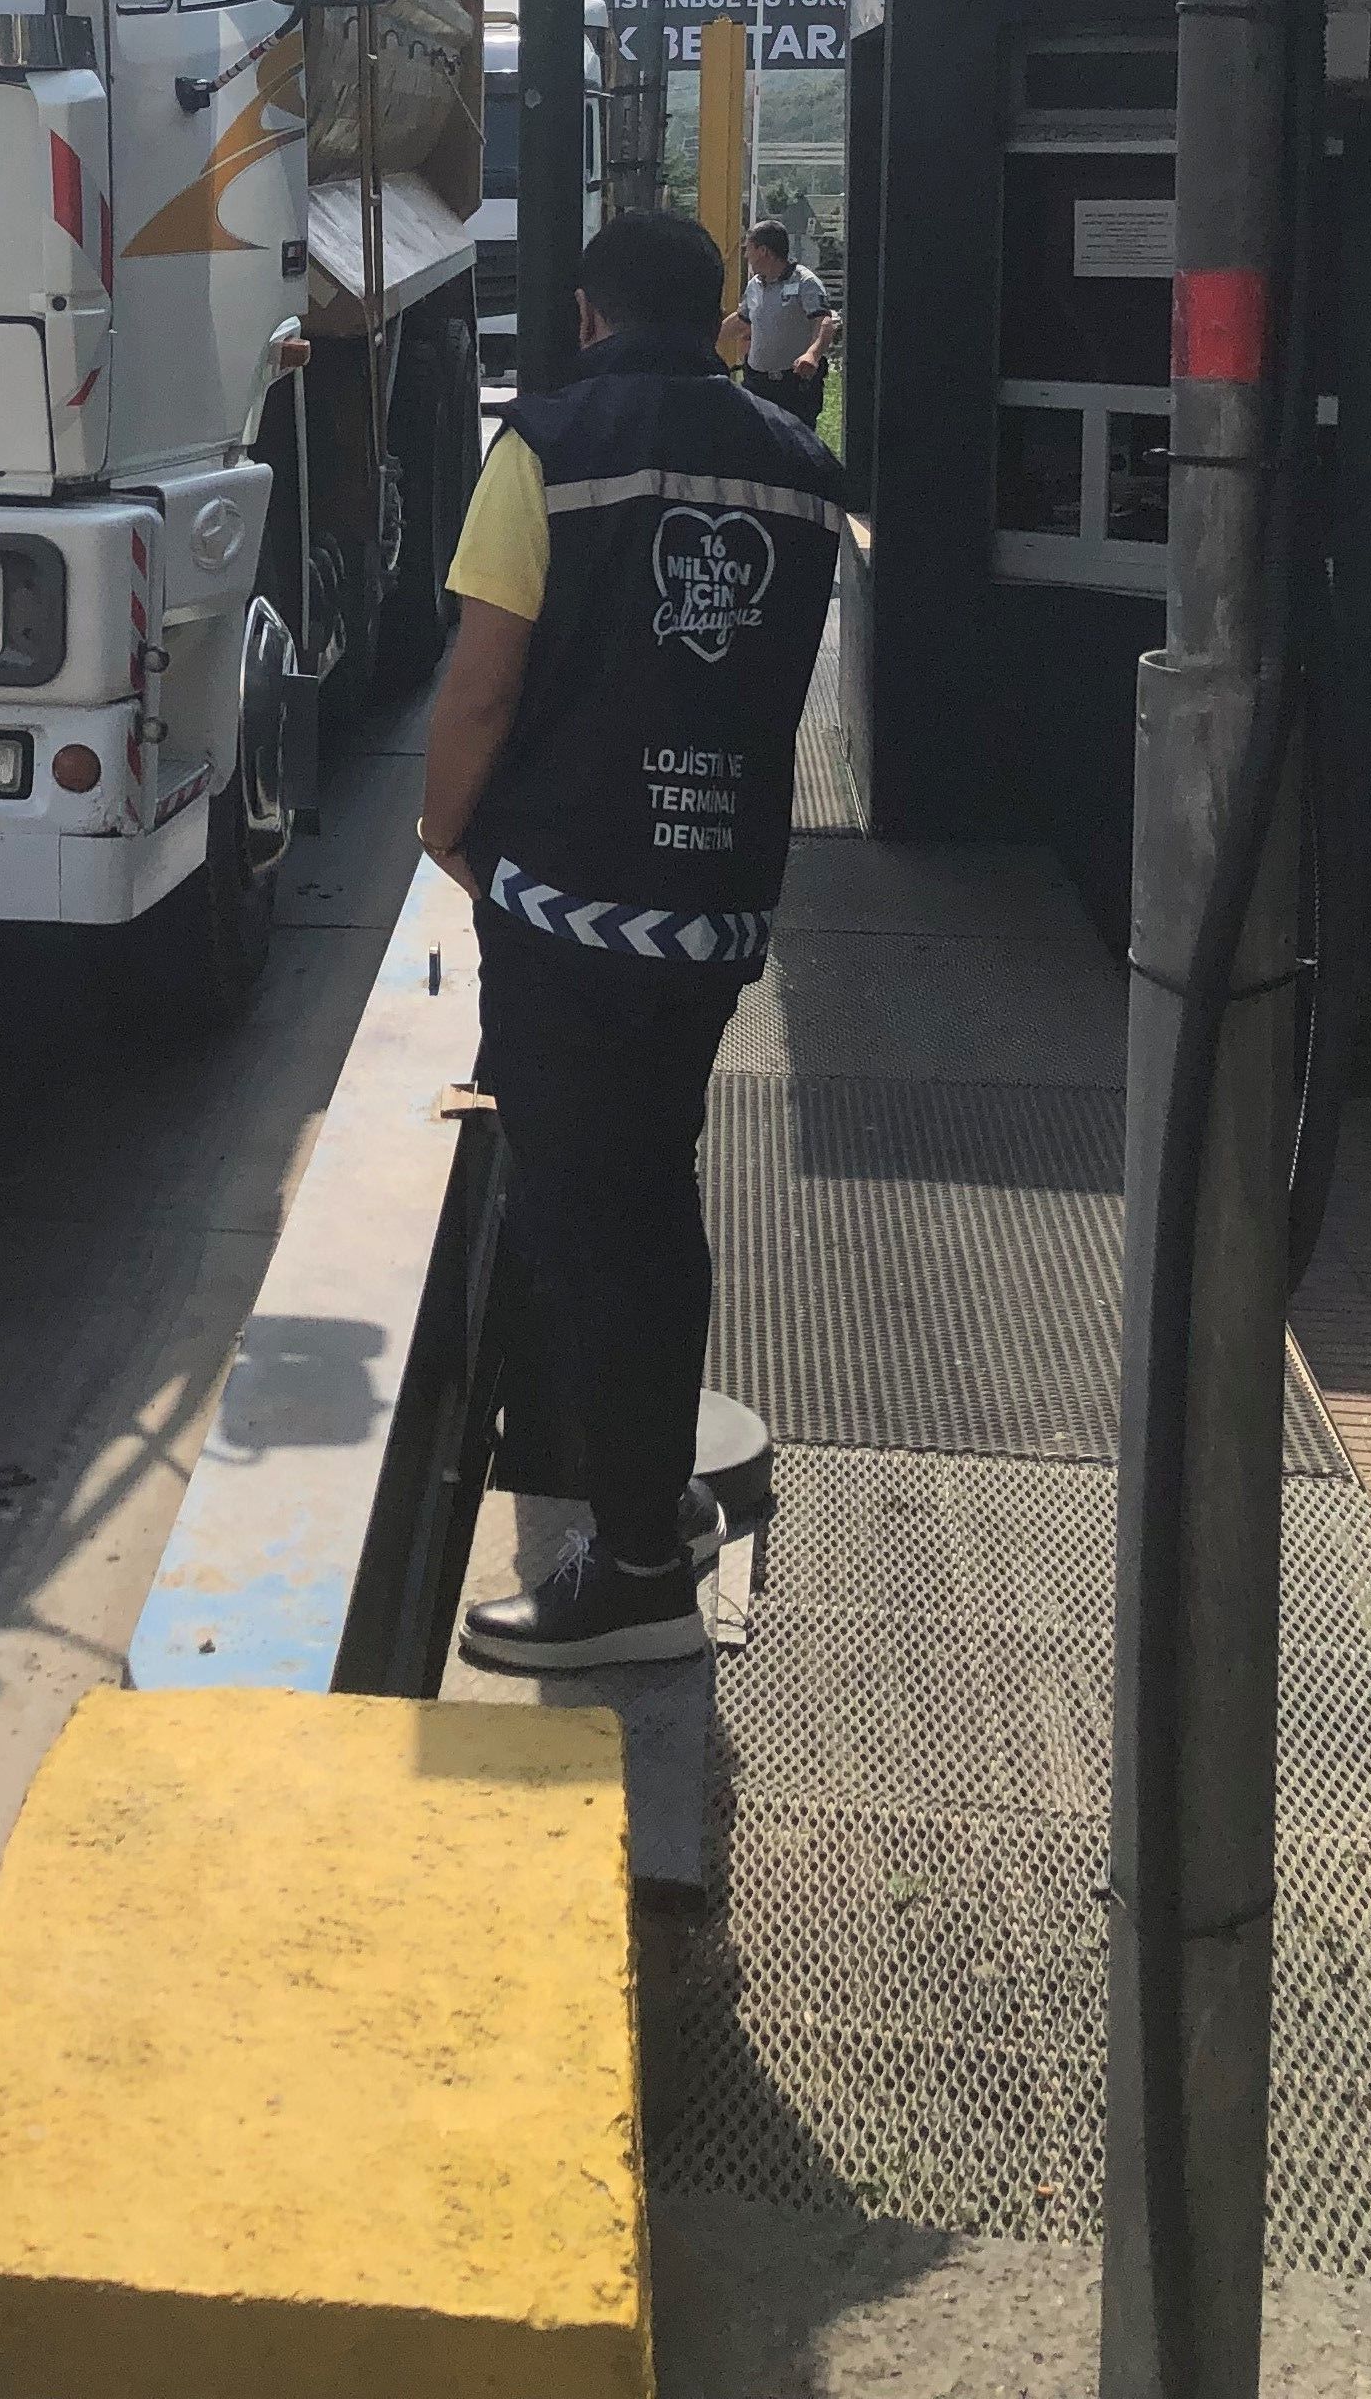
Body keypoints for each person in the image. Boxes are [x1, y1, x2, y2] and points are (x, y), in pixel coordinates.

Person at [419, 208, 845, 1669]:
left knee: (592, 1219)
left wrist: (445, 830)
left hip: (572, 901)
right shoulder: (801, 469)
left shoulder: (546, 448)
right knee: (653, 1189)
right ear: (721, 319)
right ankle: (655, 1497)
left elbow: (483, 684)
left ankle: (640, 1568)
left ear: (590, 316)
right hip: (714, 901)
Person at [735, 219, 837, 428]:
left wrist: (812, 354)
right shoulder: (754, 285)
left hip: (793, 385)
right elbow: (741, 320)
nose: (746, 256)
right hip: (757, 383)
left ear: (763, 251)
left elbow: (824, 321)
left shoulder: (805, 282)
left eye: (749, 249)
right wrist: (707, 338)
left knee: (796, 441)